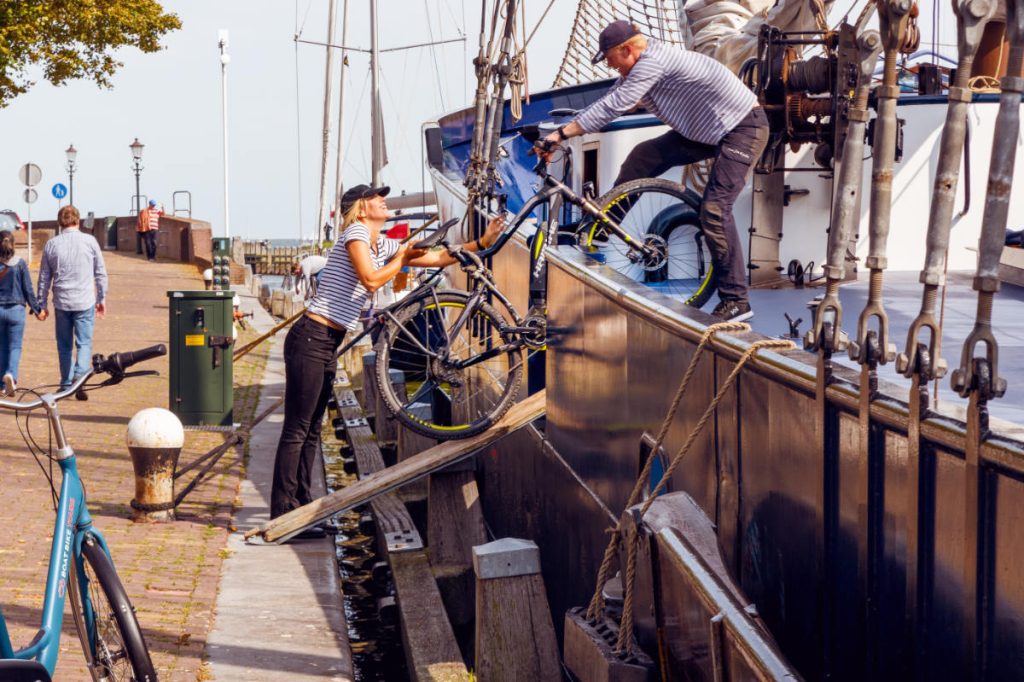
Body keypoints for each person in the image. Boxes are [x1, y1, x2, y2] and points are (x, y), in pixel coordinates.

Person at [270, 183, 503, 536]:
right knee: (297, 429)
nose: (383, 200)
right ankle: (282, 510)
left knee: (312, 429)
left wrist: (481, 243)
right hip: (311, 338)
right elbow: (370, 279)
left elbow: (438, 257)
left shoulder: (382, 243)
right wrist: (402, 258)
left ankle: (302, 508)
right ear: (362, 208)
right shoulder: (356, 233)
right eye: (376, 197)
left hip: (327, 341)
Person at [540, 20, 768, 322]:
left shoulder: (652, 62)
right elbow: (612, 100)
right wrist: (565, 129)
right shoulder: (640, 67)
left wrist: (560, 134)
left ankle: (737, 300)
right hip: (709, 131)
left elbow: (614, 106)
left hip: (743, 129)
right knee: (643, 157)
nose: (610, 66)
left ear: (627, 49)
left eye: (610, 59)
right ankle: (602, 228)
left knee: (714, 210)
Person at [37, 205, 109, 400]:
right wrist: (101, 299)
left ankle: (66, 383)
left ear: (60, 223)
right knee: (84, 342)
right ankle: (79, 378)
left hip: (62, 301)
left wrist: (41, 303)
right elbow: (100, 273)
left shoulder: (52, 245)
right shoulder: (90, 241)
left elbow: (44, 277)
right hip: (85, 300)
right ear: (78, 221)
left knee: (64, 345)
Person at [0, 230, 44, 395]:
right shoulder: (20, 263)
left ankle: (2, 385)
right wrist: (37, 309)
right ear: (13, 244)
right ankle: (11, 374)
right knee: (15, 346)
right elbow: (28, 290)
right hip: (16, 310)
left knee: (2, 347)